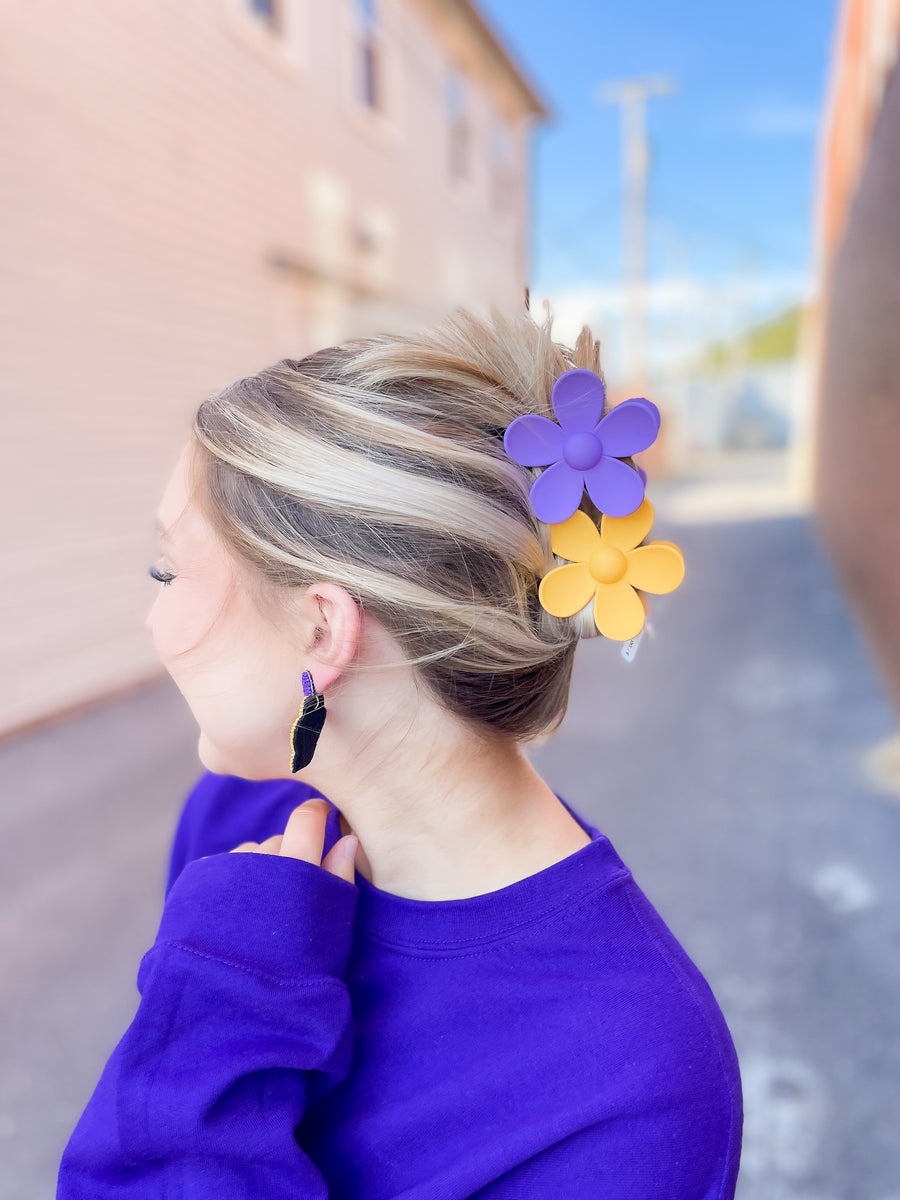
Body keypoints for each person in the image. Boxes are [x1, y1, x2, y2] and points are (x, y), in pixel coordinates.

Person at [57, 304, 743, 1198]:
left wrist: (223, 995)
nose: (155, 617)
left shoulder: (636, 1084)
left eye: (170, 572)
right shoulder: (239, 824)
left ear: (321, 629)